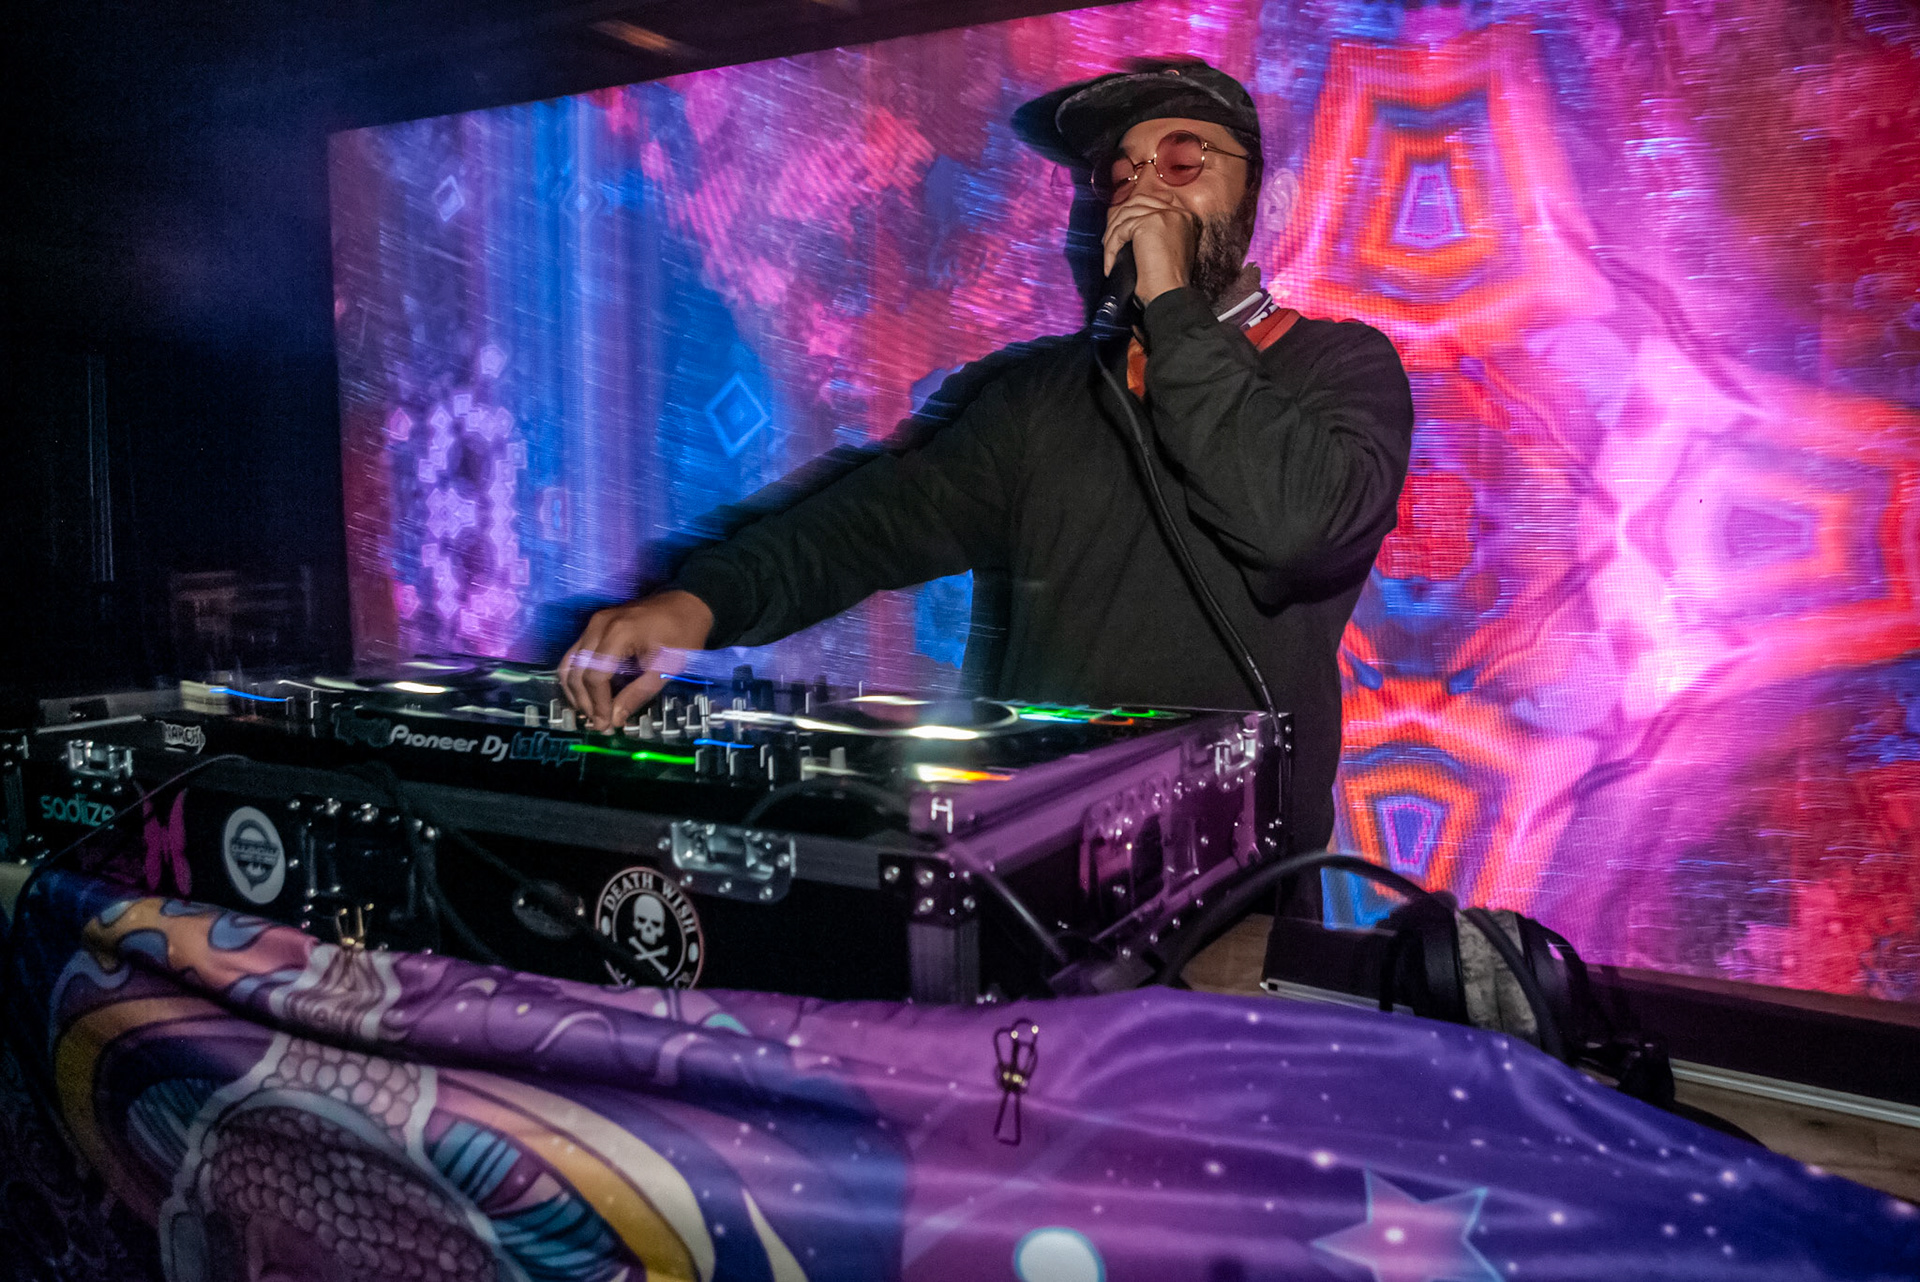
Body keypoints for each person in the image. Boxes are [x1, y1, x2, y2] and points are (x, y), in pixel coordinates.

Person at [561, 58, 1413, 860]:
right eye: (1122, 173)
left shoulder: (1340, 368)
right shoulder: (1045, 395)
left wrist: (1172, 302)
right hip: (1047, 871)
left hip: (1241, 884)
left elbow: (1297, 528)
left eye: (1183, 160)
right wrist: (704, 599)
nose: (1145, 189)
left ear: (1272, 202)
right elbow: (875, 522)